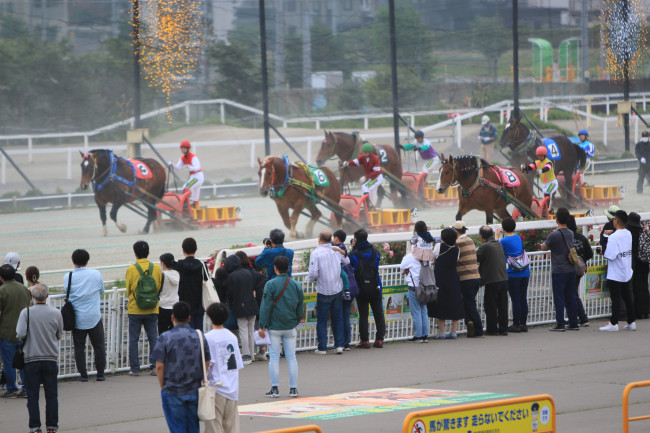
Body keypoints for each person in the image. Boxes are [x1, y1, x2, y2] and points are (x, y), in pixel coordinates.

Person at [152, 301, 210, 433]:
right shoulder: (199, 336)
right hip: (194, 389)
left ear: (172, 317)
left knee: (177, 428)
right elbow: (207, 361)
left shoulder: (165, 338)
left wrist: (162, 386)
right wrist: (201, 378)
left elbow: (159, 366)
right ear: (189, 318)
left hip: (173, 390)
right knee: (193, 428)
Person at [16, 283, 63, 433]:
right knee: (51, 395)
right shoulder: (56, 313)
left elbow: (21, 333)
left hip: (31, 358)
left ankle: (35, 427)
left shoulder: (26, 313)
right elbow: (59, 335)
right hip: (50, 357)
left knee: (32, 395)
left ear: (33, 296)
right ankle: (52, 426)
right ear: (47, 296)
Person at [258, 256, 304, 398]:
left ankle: (275, 389)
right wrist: (295, 321)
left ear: (275, 268)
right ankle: (293, 389)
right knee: (291, 357)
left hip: (274, 327)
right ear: (289, 267)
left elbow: (265, 307)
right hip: (290, 326)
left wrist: (262, 326)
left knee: (274, 358)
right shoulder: (296, 285)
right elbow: (300, 307)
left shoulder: (270, 285)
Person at [66, 249, 106, 381]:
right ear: (87, 260)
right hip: (94, 316)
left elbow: (68, 292)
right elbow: (101, 290)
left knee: (79, 348)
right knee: (99, 346)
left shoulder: (68, 276)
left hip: (77, 318)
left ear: (73, 261)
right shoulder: (96, 274)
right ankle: (100, 374)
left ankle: (83, 375)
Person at [308, 231, 350, 355]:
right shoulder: (335, 250)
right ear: (330, 239)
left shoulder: (316, 253)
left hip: (323, 290)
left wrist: (311, 280)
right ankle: (339, 345)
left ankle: (322, 347)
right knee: (338, 318)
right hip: (337, 288)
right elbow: (346, 261)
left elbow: (313, 273)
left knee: (322, 320)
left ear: (319, 239)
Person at [204, 302, 243, 433]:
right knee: (231, 427)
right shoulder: (232, 337)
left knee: (214, 427)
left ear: (210, 317)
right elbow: (237, 363)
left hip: (216, 387)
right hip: (232, 387)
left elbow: (208, 364)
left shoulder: (208, 337)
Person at [125, 240, 162, 376]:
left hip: (135, 309)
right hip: (152, 307)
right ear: (149, 252)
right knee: (153, 338)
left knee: (134, 339)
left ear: (135, 254)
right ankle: (154, 367)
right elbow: (158, 286)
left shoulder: (131, 269)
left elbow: (129, 289)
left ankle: (135, 369)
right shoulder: (156, 268)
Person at [541, 208, 580, 332]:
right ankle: (574, 322)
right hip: (571, 269)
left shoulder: (554, 234)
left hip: (559, 269)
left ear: (556, 219)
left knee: (559, 297)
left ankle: (560, 323)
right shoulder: (570, 233)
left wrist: (545, 241)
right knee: (571, 296)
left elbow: (544, 247)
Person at [600, 210, 636, 332]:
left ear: (616, 220)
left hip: (615, 273)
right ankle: (631, 321)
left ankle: (614, 323)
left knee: (615, 298)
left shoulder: (614, 237)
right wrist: (608, 235)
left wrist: (604, 246)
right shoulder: (628, 233)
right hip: (626, 270)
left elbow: (610, 255)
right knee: (627, 297)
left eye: (614, 219)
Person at [349, 229, 386, 348]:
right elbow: (376, 263)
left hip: (361, 288)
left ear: (355, 239)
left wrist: (352, 248)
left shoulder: (353, 254)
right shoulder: (375, 252)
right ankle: (379, 339)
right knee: (379, 314)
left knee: (363, 316)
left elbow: (350, 265)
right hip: (375, 287)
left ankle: (364, 341)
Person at [0, 264, 31, 397]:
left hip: (7, 331)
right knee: (24, 361)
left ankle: (12, 388)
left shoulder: (2, 290)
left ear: (1, 277)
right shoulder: (24, 289)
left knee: (9, 362)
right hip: (24, 331)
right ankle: (26, 388)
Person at [223, 254, 259, 365]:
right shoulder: (247, 272)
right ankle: (252, 354)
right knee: (251, 331)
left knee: (243, 330)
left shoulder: (231, 276)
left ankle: (246, 355)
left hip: (240, 306)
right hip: (252, 305)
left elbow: (230, 293)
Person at [497, 217, 530, 333]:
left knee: (515, 299)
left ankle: (516, 325)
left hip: (513, 273)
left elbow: (496, 249)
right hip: (525, 271)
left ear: (503, 228)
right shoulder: (518, 237)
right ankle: (523, 324)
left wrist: (497, 236)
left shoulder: (503, 241)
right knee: (522, 298)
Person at [429, 228, 464, 339]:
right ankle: (454, 331)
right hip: (453, 277)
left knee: (441, 302)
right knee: (455, 301)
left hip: (440, 277)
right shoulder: (457, 249)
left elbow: (433, 257)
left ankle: (442, 332)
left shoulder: (439, 246)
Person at [452, 221, 484, 338]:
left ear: (456, 231)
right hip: (476, 277)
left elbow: (453, 257)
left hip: (466, 278)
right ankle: (470, 325)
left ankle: (479, 329)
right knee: (468, 302)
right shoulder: (470, 240)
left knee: (470, 304)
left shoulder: (457, 243)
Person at [234, 251, 268, 361]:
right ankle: (261, 352)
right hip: (257, 304)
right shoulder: (257, 274)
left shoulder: (238, 274)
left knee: (245, 330)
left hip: (244, 305)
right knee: (257, 328)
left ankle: (248, 355)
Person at [476, 226, 509, 336]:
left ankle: (492, 329)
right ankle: (504, 329)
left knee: (491, 306)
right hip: (503, 279)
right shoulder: (498, 244)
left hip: (492, 280)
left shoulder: (485, 246)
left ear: (481, 237)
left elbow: (475, 257)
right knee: (503, 306)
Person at [332, 230, 357, 351]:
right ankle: (347, 343)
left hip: (341, 289)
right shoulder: (342, 249)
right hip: (352, 287)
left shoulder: (336, 250)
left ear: (336, 238)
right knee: (346, 316)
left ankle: (340, 343)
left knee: (339, 317)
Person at [566, 216, 593, 327]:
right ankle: (580, 318)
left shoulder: (566, 238)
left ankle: (580, 318)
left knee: (571, 294)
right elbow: (590, 254)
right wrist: (582, 261)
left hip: (568, 269)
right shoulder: (582, 238)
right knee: (573, 292)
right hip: (580, 269)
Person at [175, 237, 205, 330]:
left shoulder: (180, 265)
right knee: (199, 332)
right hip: (200, 303)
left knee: (187, 332)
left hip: (185, 306)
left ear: (183, 250)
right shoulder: (202, 265)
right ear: (196, 249)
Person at [400, 251, 428, 342]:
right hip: (425, 287)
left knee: (416, 311)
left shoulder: (410, 256)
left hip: (414, 287)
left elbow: (402, 266)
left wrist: (408, 255)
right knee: (423, 310)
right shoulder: (426, 255)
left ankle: (418, 335)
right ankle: (425, 335)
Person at [343, 142, 383, 206]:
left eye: (365, 153)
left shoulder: (375, 159)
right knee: (372, 195)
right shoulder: (362, 157)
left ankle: (366, 206)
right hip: (372, 178)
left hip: (377, 178)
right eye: (363, 152)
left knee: (365, 187)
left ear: (370, 152)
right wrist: (348, 163)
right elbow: (355, 163)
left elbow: (376, 173)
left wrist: (365, 177)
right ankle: (370, 207)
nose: (364, 154)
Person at [627, 212, 649, 320]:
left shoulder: (630, 234)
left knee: (637, 287)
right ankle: (646, 311)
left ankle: (638, 312)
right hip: (645, 263)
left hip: (636, 263)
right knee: (644, 286)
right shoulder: (642, 232)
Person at [169, 140, 204, 208]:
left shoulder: (193, 157)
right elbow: (178, 168)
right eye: (181, 148)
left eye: (184, 148)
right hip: (194, 177)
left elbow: (197, 167)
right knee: (195, 193)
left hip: (198, 176)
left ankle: (185, 204)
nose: (182, 150)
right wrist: (172, 165)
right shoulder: (183, 158)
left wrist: (190, 168)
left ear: (188, 149)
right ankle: (195, 206)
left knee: (186, 187)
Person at [159, 253, 180, 334]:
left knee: (163, 333)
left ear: (163, 263)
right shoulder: (177, 274)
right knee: (174, 332)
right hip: (175, 305)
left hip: (163, 305)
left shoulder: (162, 274)